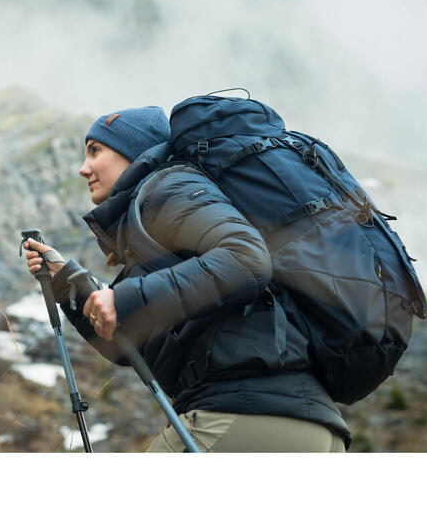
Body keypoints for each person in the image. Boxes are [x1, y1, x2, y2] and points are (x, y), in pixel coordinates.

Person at [23, 106, 350, 452]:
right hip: (305, 427)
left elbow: (247, 258)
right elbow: (123, 343)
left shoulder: (168, 187)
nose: (83, 167)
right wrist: (67, 281)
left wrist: (126, 298)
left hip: (240, 417)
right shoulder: (151, 225)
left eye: (95, 150)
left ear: (134, 153)